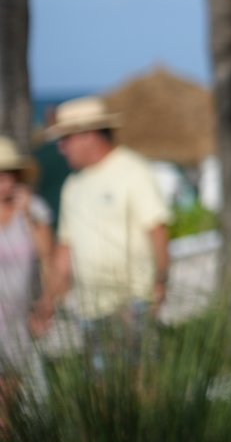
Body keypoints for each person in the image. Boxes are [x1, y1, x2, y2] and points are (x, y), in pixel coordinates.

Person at [41, 97, 170, 364]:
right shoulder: (73, 186)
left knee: (139, 375)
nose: (61, 148)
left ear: (88, 135)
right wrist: (48, 302)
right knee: (100, 383)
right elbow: (65, 250)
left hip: (133, 301)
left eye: (66, 139)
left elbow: (157, 232)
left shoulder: (133, 170)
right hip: (90, 309)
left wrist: (159, 284)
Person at [0, 136, 55, 410]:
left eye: (6, 173)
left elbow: (47, 255)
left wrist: (28, 216)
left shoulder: (35, 209)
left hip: (21, 315)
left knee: (19, 392)